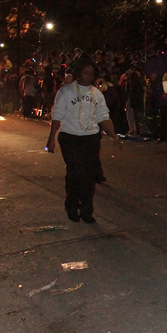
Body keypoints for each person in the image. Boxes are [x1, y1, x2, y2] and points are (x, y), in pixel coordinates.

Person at [46, 58, 122, 223]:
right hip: (70, 137)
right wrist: (51, 138)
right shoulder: (66, 91)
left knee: (89, 175)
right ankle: (72, 204)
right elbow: (57, 116)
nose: (88, 77)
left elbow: (103, 117)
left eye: (91, 74)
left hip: (91, 138)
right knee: (75, 172)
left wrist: (114, 136)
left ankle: (87, 210)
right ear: (78, 73)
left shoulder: (97, 94)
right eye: (85, 73)